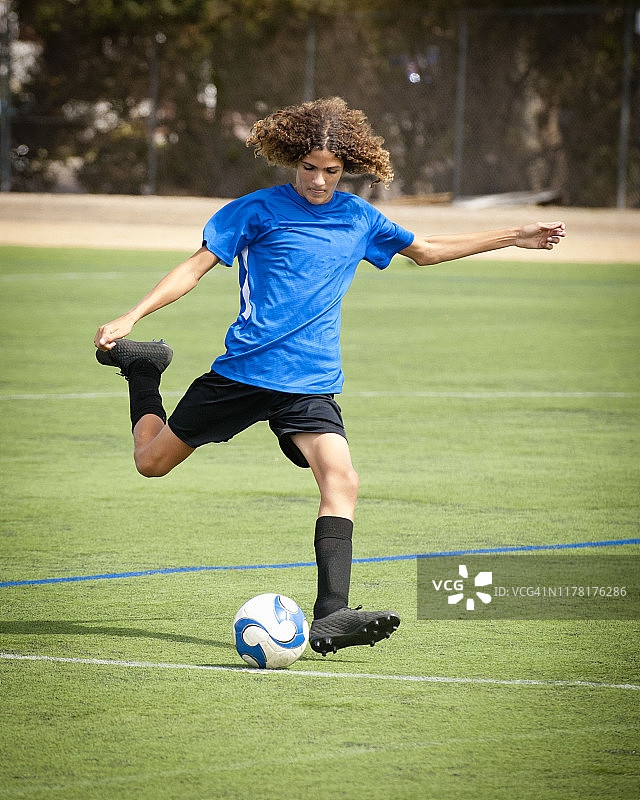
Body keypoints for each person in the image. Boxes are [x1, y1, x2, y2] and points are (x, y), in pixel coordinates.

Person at [94, 96, 565, 657]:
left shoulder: (359, 218)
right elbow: (193, 268)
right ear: (294, 159)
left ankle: (331, 615)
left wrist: (511, 236)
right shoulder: (256, 211)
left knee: (341, 479)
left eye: (332, 171)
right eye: (310, 168)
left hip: (312, 381)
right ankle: (144, 371)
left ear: (349, 170)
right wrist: (133, 316)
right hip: (245, 373)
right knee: (150, 463)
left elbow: (428, 250)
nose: (319, 181)